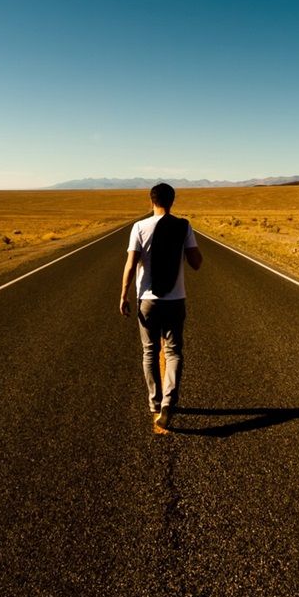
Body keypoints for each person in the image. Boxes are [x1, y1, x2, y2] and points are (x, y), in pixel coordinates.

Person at [119, 183, 202, 433]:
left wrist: (123, 294)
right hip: (175, 300)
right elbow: (196, 263)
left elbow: (131, 264)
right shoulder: (184, 226)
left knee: (150, 351)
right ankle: (169, 402)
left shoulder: (140, 227)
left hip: (148, 300)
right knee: (174, 352)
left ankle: (155, 402)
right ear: (173, 201)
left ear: (151, 200)